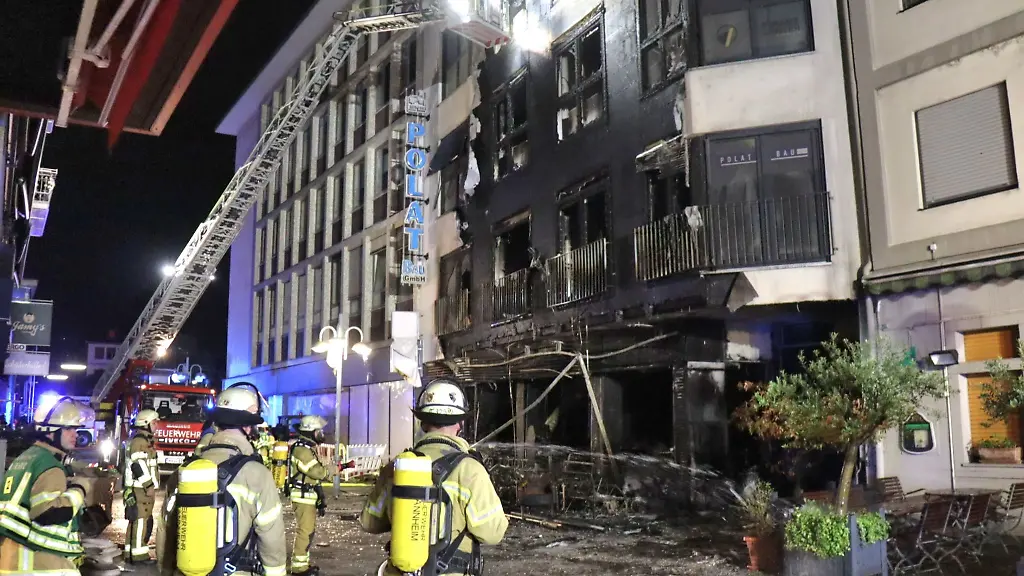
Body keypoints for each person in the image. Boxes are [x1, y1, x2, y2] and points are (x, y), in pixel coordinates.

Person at [359, 379, 508, 576]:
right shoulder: (470, 469)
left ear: (422, 423)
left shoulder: (397, 467)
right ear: (460, 424)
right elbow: (492, 533)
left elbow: (369, 521)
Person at [157, 383, 287, 576]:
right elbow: (271, 537)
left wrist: (166, 571)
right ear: (247, 427)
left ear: (216, 423)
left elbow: (165, 531)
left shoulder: (184, 471)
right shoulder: (257, 474)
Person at [0, 397, 99, 575]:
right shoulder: (50, 465)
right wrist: (79, 489)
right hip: (38, 565)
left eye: (76, 429)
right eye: (68, 428)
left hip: (13, 560)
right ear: (49, 432)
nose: (75, 434)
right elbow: (48, 512)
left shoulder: (27, 458)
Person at [287, 415, 329, 576]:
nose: (321, 434)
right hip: (302, 496)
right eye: (319, 431)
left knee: (308, 531)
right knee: (305, 532)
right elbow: (317, 472)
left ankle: (303, 564)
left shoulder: (306, 448)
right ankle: (299, 569)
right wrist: (333, 469)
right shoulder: (302, 450)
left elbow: (313, 478)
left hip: (307, 495)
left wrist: (320, 498)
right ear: (311, 431)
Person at [123, 408, 160, 564]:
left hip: (138, 489)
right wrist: (149, 485)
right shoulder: (140, 442)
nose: (157, 425)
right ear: (146, 424)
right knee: (140, 521)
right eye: (154, 422)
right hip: (140, 490)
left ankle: (129, 553)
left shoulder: (143, 440)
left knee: (136, 520)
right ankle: (139, 556)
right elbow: (138, 465)